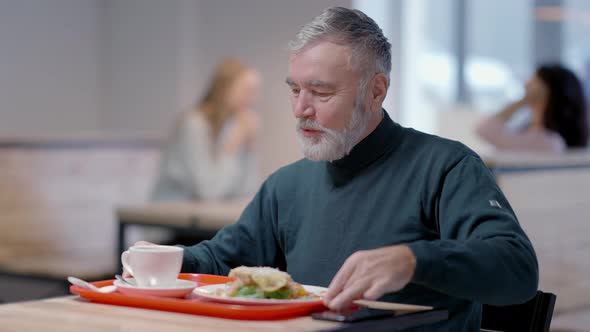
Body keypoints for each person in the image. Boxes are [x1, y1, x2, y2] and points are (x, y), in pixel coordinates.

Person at [132, 7, 538, 330]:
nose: (300, 109)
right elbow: (222, 260)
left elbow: (516, 268)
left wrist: (414, 260)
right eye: (294, 89)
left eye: (321, 92)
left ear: (376, 90)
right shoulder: (287, 186)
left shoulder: (447, 167)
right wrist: (170, 259)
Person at [151, 58, 261, 201]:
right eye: (247, 90)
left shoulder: (231, 126)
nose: (253, 99)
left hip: (204, 214)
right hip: (171, 214)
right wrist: (233, 144)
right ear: (224, 89)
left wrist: (249, 149)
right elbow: (209, 191)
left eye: (255, 92)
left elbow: (246, 190)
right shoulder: (193, 124)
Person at [477, 64, 589, 152]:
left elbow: (485, 129)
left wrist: (523, 100)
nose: (526, 84)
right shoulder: (529, 133)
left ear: (546, 92)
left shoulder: (550, 142)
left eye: (534, 80)